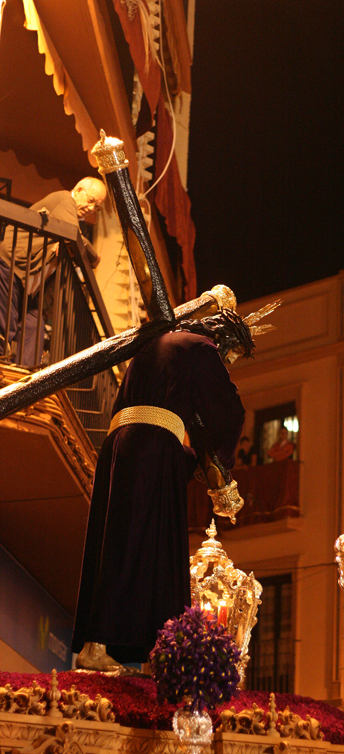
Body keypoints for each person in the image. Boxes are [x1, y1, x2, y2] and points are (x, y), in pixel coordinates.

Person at [72, 308, 253, 671]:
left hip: (121, 446)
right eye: (232, 356)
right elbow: (227, 410)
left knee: (120, 541)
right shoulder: (201, 348)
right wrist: (221, 465)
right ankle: (114, 648)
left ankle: (111, 645)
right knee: (145, 545)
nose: (228, 364)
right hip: (153, 447)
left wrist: (191, 461)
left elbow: (181, 419)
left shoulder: (153, 346)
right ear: (223, 341)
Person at [0, 177, 105, 366]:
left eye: (96, 207)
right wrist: (95, 257)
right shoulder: (66, 200)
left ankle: (26, 379)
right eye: (91, 201)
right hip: (11, 266)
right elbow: (75, 237)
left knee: (34, 327)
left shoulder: (74, 219)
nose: (91, 209)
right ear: (79, 190)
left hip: (27, 284)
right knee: (5, 324)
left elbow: (74, 240)